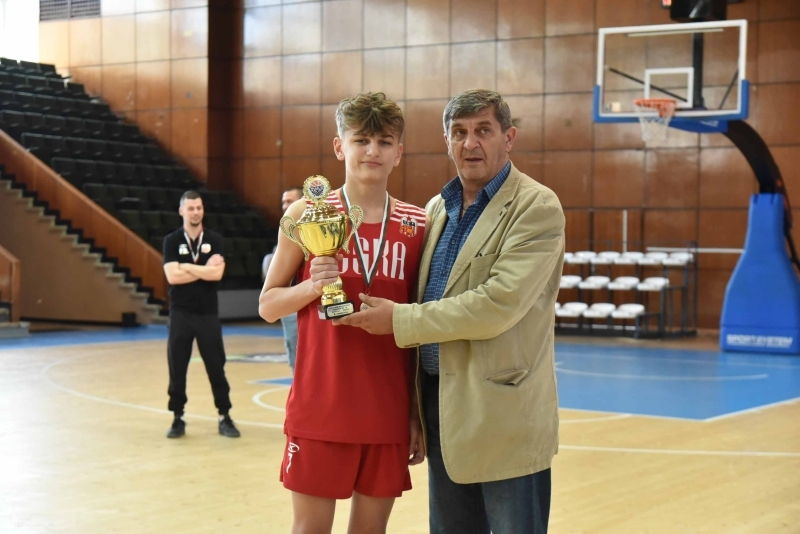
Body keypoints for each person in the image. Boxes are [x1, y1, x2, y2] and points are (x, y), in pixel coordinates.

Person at [334, 89, 565, 533]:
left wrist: (398, 319)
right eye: (459, 132)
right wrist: (413, 408)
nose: (470, 143)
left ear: (508, 138)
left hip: (503, 414)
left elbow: (497, 304)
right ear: (447, 141)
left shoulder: (536, 206)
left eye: (483, 131)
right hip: (442, 409)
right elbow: (427, 296)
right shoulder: (436, 209)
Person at [259, 92, 426, 534]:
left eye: (384, 142)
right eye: (361, 140)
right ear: (340, 146)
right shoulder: (307, 213)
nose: (373, 151)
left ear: (398, 152)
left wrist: (415, 413)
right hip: (321, 407)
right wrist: (311, 287)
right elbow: (268, 305)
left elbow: (419, 325)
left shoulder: (416, 224)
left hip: (387, 411)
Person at [162, 190, 241, 439]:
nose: (196, 212)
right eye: (191, 208)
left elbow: (216, 274)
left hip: (208, 314)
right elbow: (172, 277)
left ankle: (224, 416)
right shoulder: (172, 241)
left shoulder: (215, 239)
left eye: (199, 208)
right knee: (177, 366)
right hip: (180, 314)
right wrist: (202, 269)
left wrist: (186, 266)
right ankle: (177, 417)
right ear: (181, 211)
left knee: (216, 366)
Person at [262, 186, 303, 374]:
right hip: (288, 306)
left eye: (290, 201)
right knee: (294, 356)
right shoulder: (284, 234)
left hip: (308, 305)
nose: (286, 206)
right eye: (284, 202)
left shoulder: (313, 234)